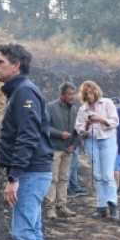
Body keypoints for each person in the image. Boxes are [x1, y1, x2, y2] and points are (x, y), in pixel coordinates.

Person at [0, 44, 65, 240]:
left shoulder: (24, 92)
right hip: (32, 172)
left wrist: (14, 177)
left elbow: (28, 136)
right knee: (32, 234)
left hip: (31, 173)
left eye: (0, 61)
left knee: (24, 235)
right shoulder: (20, 92)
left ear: (16, 66)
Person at [74, 81, 120, 220]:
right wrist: (88, 123)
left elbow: (115, 121)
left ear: (96, 91)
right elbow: (79, 128)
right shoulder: (83, 109)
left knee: (107, 174)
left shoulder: (107, 103)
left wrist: (100, 119)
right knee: (97, 174)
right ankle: (101, 207)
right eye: (86, 93)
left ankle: (113, 205)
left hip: (107, 140)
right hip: (91, 141)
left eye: (91, 92)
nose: (89, 96)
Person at [44, 82, 80, 219]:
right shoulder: (50, 107)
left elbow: (77, 130)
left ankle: (61, 205)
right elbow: (44, 128)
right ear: (61, 95)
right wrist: (60, 134)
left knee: (64, 178)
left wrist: (75, 144)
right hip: (54, 149)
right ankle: (50, 208)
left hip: (68, 150)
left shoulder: (75, 109)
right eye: (70, 94)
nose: (72, 97)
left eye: (73, 94)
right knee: (53, 178)